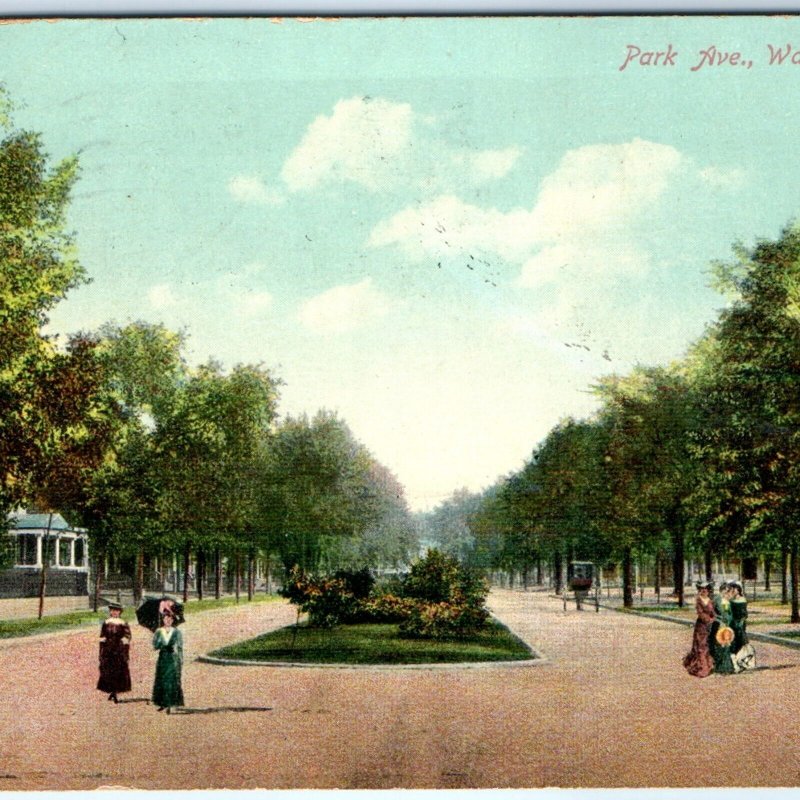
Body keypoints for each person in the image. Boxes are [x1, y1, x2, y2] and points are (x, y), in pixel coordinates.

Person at [97, 601, 132, 704]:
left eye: (116, 611)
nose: (114, 612)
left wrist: (123, 645)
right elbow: (102, 636)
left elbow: (127, 636)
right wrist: (101, 650)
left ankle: (115, 692)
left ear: (120, 612)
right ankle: (111, 690)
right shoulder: (106, 622)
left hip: (118, 650)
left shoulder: (123, 623)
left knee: (118, 670)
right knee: (107, 670)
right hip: (108, 649)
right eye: (112, 610)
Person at [152, 608, 184, 713]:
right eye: (166, 618)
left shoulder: (176, 632)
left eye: (170, 618)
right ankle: (162, 703)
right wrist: (160, 643)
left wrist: (180, 659)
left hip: (173, 658)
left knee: (172, 680)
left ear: (173, 620)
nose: (168, 620)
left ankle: (171, 703)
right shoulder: (158, 631)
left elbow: (180, 647)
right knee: (162, 679)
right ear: (163, 619)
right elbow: (155, 646)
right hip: (163, 658)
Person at [683, 582, 715, 677]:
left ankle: (708, 665)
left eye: (706, 589)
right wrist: (708, 620)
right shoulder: (698, 600)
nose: (704, 591)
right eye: (702, 589)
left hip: (709, 626)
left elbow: (713, 612)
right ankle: (702, 668)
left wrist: (714, 619)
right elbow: (700, 613)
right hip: (701, 626)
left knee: (707, 645)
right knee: (701, 646)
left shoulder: (709, 600)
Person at [729, 580, 755, 671]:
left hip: (739, 625)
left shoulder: (742, 600)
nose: (732, 590)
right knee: (732, 643)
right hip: (731, 624)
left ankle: (741, 662)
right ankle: (734, 664)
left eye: (734, 588)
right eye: (731, 588)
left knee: (741, 643)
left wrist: (740, 624)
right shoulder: (730, 599)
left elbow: (744, 615)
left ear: (739, 589)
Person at [710, 582, 735, 675]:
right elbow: (719, 614)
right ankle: (720, 667)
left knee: (726, 645)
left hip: (726, 625)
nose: (728, 593)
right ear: (722, 590)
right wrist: (722, 620)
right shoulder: (717, 599)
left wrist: (729, 620)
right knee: (720, 645)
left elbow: (728, 613)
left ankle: (727, 667)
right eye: (727, 591)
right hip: (719, 625)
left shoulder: (725, 600)